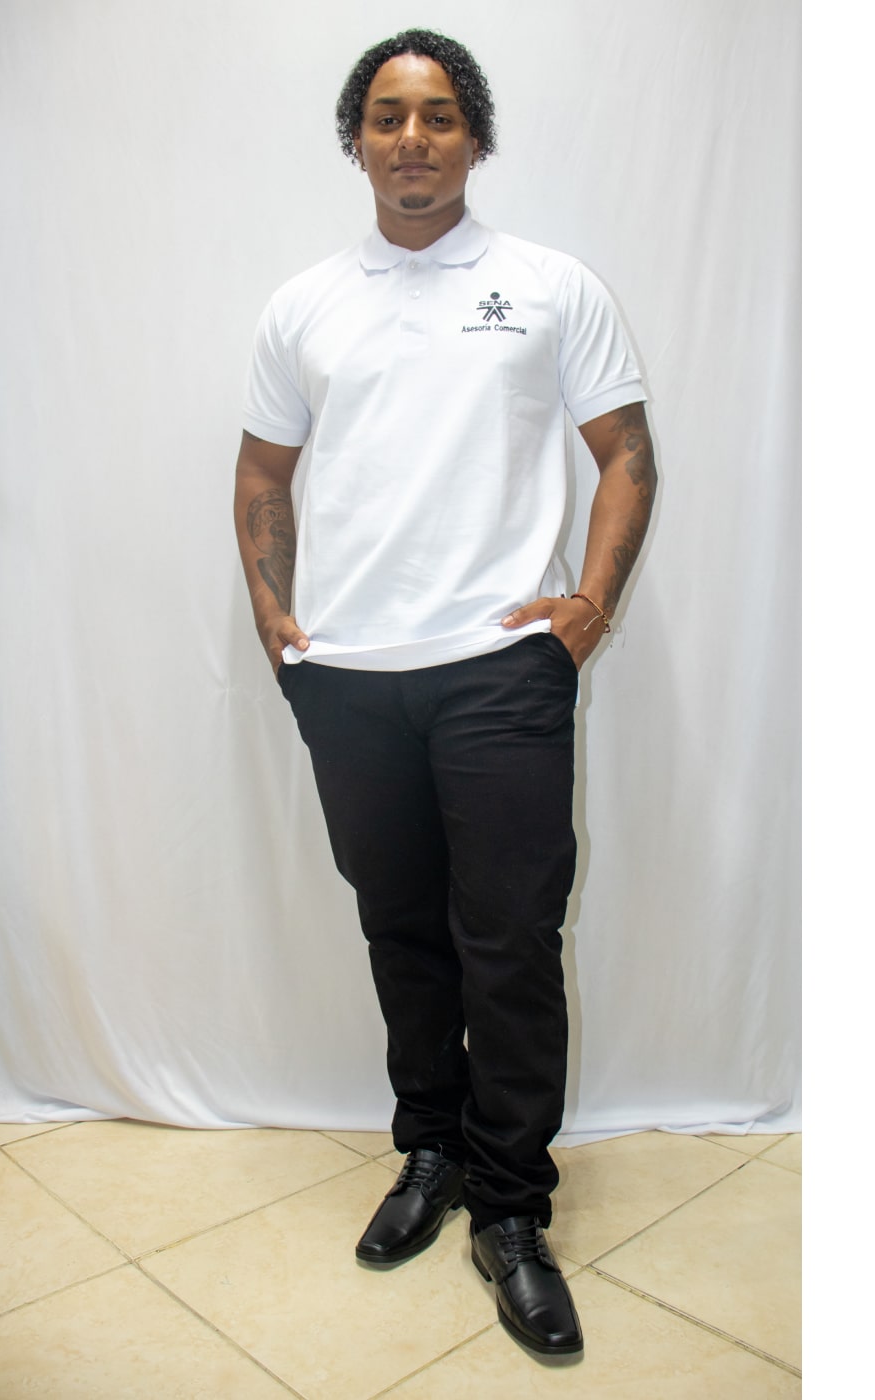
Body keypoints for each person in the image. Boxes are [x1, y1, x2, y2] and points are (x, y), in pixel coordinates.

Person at [233, 28, 655, 1358]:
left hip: (501, 670)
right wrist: (276, 618)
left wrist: (586, 609)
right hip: (349, 677)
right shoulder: (304, 305)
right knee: (402, 930)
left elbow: (626, 453)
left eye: (436, 115)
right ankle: (432, 1150)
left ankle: (512, 1209)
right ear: (356, 140)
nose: (411, 138)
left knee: (511, 941)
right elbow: (262, 475)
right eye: (386, 116)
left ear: (474, 137)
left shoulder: (549, 287)